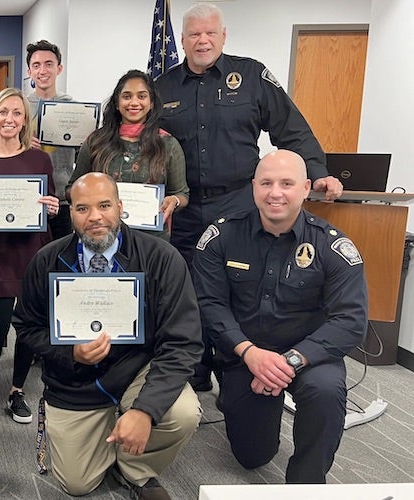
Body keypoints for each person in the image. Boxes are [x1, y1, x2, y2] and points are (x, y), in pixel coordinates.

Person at [154, 2, 343, 392]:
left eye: (210, 33)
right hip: (185, 207)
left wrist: (318, 171)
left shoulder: (252, 75)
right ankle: (195, 366)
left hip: (238, 202)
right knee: (188, 286)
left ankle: (234, 366)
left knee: (238, 284)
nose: (202, 40)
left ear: (224, 36)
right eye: (193, 34)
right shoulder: (164, 87)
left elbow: (291, 129)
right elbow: (141, 138)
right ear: (184, 40)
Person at [13, 172, 202, 499]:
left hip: (137, 369)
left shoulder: (161, 258)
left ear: (120, 206)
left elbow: (182, 342)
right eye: (83, 209)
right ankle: (108, 439)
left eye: (104, 206)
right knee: (76, 483)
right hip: (74, 381)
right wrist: (69, 353)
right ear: (70, 213)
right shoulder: (46, 261)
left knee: (182, 413)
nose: (95, 217)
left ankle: (135, 468)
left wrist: (145, 410)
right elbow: (27, 327)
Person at [192, 150, 367, 484]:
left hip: (309, 354)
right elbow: (208, 304)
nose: (275, 192)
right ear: (253, 187)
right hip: (246, 353)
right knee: (252, 457)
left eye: (287, 183)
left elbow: (351, 320)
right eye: (267, 183)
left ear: (305, 188)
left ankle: (306, 483)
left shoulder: (332, 246)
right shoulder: (222, 236)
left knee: (326, 392)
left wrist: (291, 361)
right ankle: (235, 395)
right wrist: (248, 352)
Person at [0, 88, 58, 424]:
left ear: (24, 120)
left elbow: (50, 206)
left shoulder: (40, 160)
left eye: (17, 113)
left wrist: (52, 207)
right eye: (3, 112)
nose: (9, 119)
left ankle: (17, 390)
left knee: (29, 329)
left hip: (33, 254)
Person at [67, 70, 189, 241]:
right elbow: (71, 188)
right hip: (103, 236)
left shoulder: (168, 144)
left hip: (151, 240)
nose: (134, 102)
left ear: (152, 102)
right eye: (126, 96)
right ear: (117, 103)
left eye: (141, 96)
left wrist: (174, 200)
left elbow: (182, 193)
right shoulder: (95, 142)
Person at [25, 39, 75, 241]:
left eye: (49, 64)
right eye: (36, 65)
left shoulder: (73, 108)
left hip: (61, 199)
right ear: (29, 71)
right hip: (27, 196)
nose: (42, 71)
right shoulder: (20, 108)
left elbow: (85, 155)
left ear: (59, 68)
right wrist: (21, 144)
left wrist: (87, 141)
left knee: (59, 260)